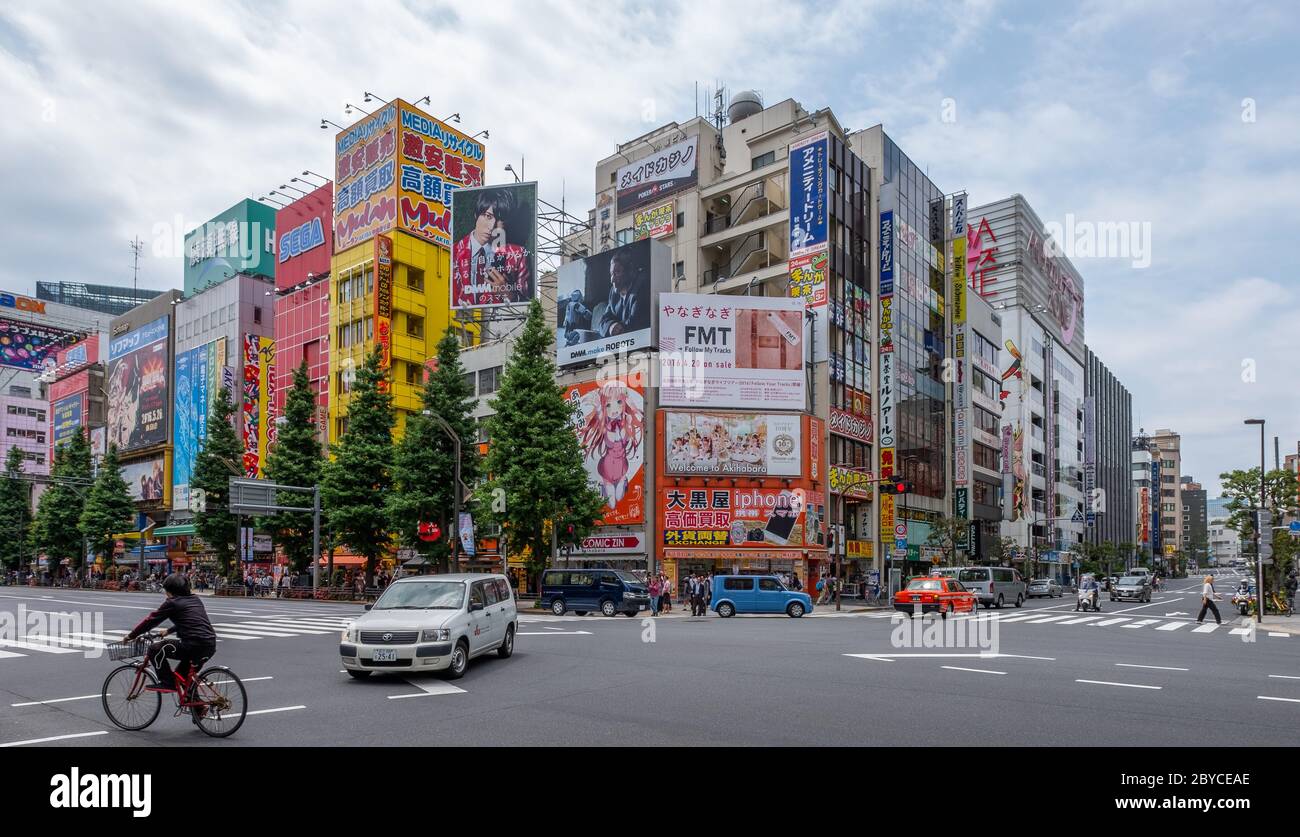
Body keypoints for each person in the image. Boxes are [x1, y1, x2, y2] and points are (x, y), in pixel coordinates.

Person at [123, 573, 217, 693]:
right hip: (209, 645)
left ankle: (167, 683)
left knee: (154, 649)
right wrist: (168, 631)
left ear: (171, 591)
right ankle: (199, 709)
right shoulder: (195, 599)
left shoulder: (172, 602)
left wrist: (131, 635)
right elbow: (190, 622)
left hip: (193, 645)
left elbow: (151, 621)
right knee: (182, 676)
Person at [451, 189, 533, 307]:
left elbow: (528, 306)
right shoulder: (454, 252)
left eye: (500, 220)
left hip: (501, 323)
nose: (492, 226)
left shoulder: (518, 255)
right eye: (488, 216)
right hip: (462, 322)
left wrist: (508, 293)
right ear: (476, 214)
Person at [597, 249, 650, 338]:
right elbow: (603, 321)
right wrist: (610, 326)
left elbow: (633, 324)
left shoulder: (642, 287)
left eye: (617, 273)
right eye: (611, 274)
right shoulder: (613, 292)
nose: (612, 280)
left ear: (630, 271)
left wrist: (618, 327)